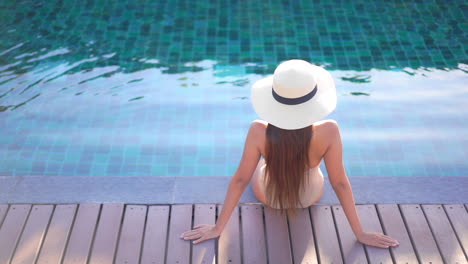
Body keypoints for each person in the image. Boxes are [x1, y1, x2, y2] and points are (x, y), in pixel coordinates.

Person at [180, 59, 399, 249]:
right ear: (314, 100)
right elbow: (340, 183)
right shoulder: (329, 131)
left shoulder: (258, 130)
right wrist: (360, 233)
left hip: (269, 196)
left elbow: (240, 179)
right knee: (315, 167)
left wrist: (218, 228)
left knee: (257, 164)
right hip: (308, 196)